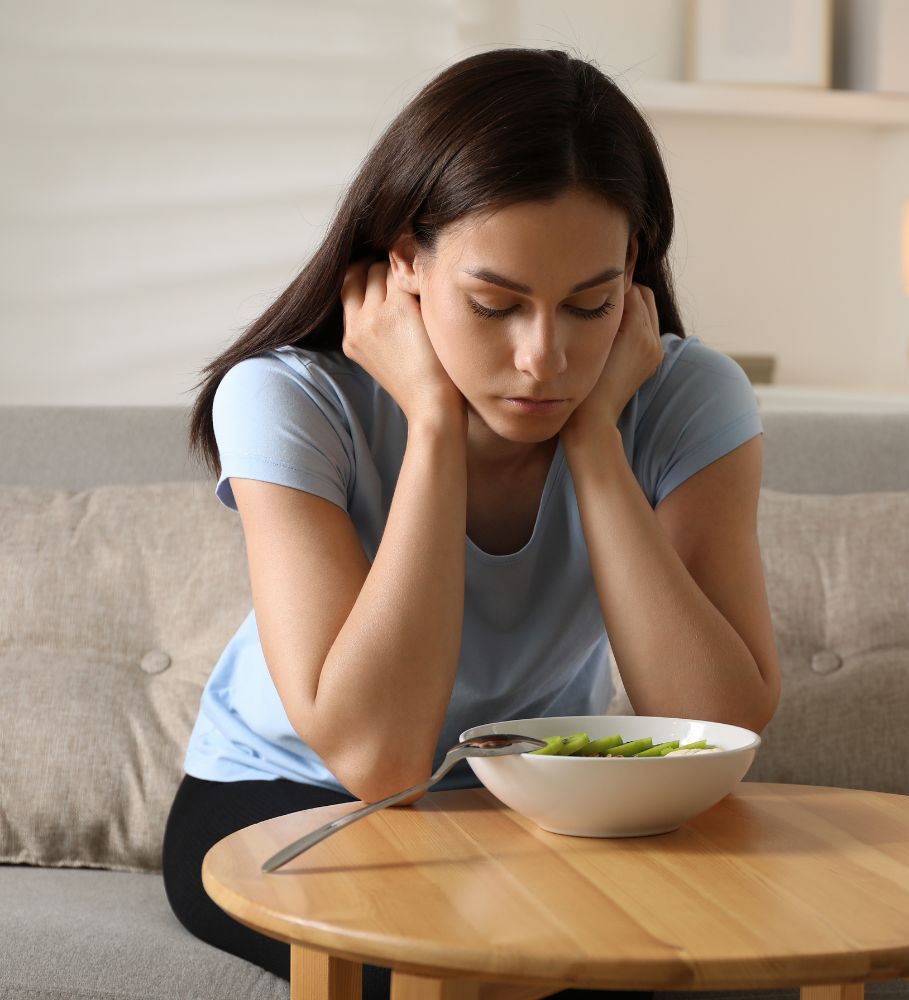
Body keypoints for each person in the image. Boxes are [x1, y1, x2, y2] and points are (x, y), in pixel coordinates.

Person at [161, 46, 781, 1000]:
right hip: (283, 802)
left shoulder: (684, 395)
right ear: (406, 260)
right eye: (495, 304)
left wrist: (595, 447)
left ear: (634, 282)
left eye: (591, 305)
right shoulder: (288, 398)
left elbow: (718, 726)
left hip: (527, 804)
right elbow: (377, 758)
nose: (545, 357)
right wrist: (434, 422)